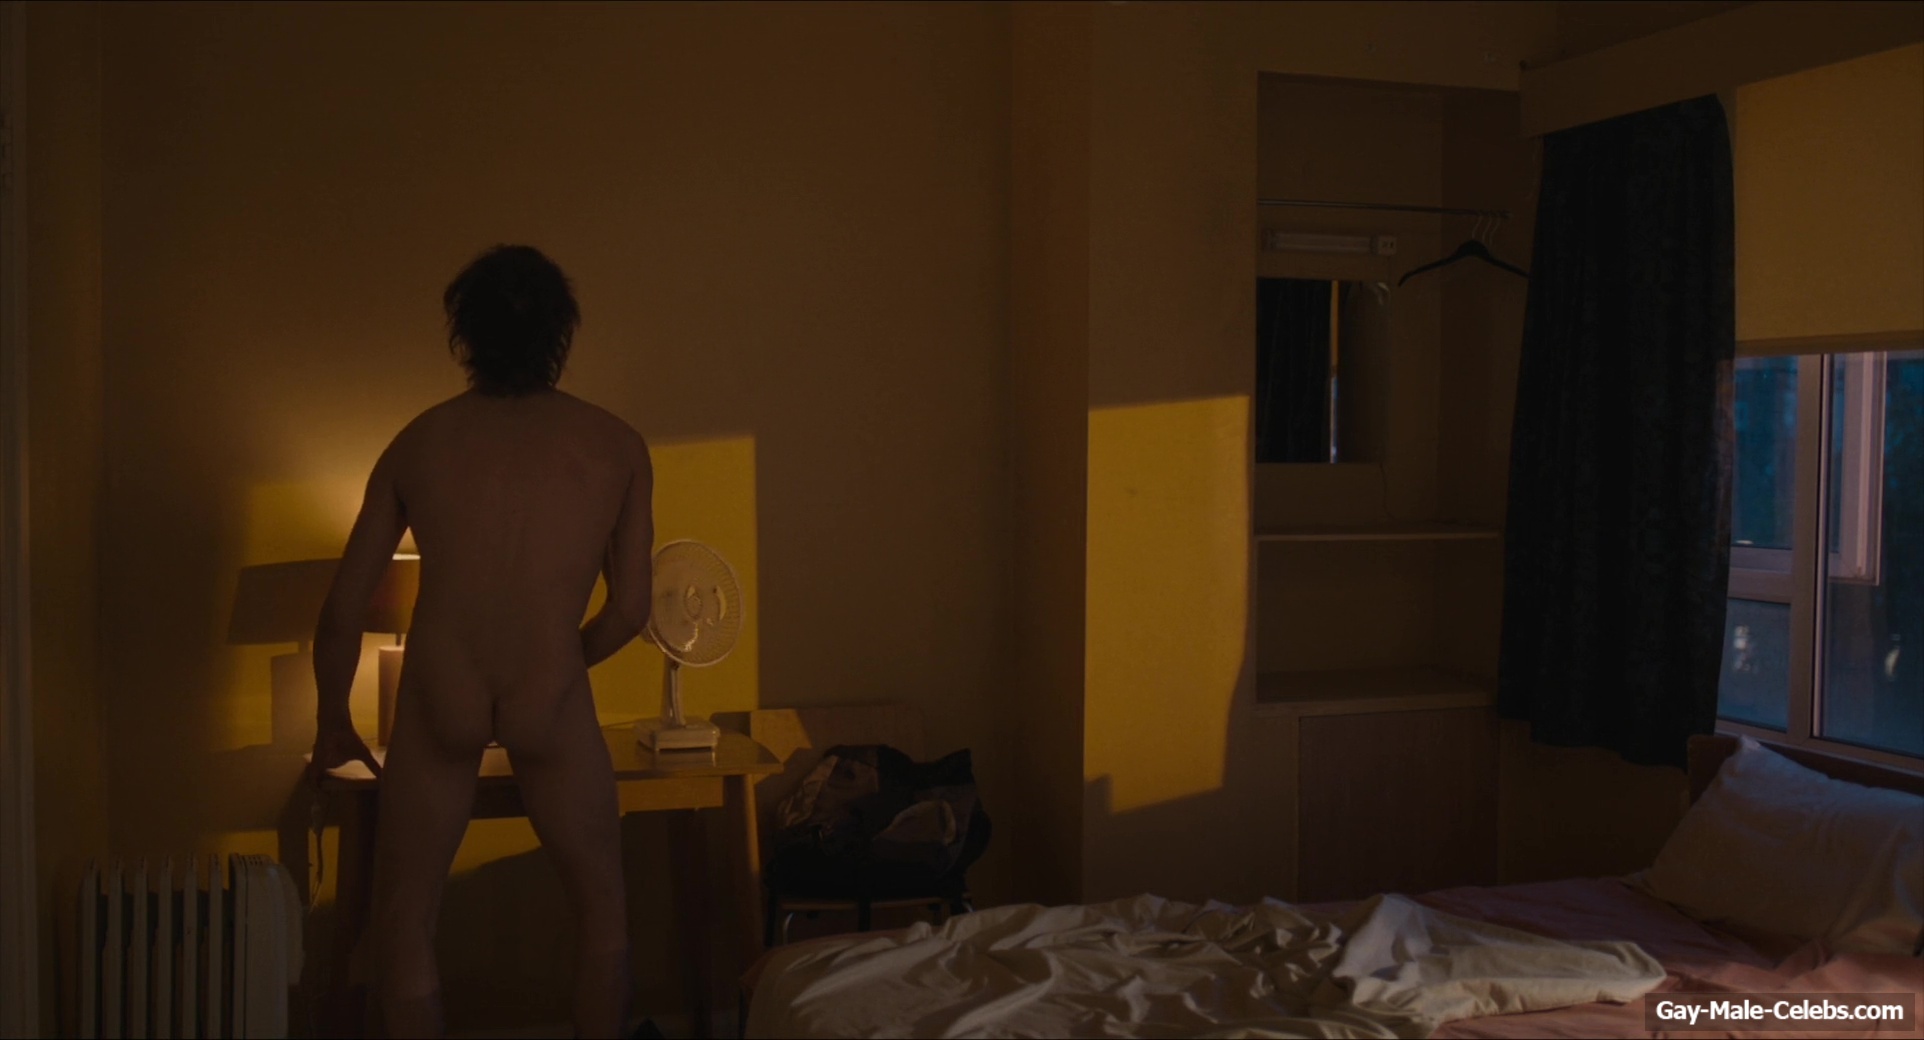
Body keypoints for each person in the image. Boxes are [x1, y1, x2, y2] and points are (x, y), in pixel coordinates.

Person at [309, 244, 654, 1039]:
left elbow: (341, 610)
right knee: (602, 911)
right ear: (560, 332)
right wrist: (561, 664)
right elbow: (631, 611)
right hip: (549, 689)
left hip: (442, 686)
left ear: (465, 333)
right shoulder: (615, 445)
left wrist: (333, 719)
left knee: (406, 918)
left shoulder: (419, 443)